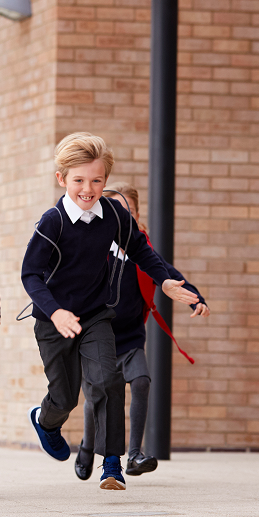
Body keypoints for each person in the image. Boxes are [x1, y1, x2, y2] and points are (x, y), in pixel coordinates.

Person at [21, 132, 200, 491]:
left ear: (105, 179)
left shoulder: (114, 215)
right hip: (54, 321)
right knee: (66, 396)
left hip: (96, 315)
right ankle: (46, 419)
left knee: (107, 381)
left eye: (97, 180)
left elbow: (141, 250)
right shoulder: (52, 222)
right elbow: (30, 274)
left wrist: (164, 281)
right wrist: (56, 313)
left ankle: (112, 465)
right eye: (79, 181)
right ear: (62, 179)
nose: (88, 189)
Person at [75, 183, 209, 481]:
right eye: (116, 212)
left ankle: (134, 454)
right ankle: (86, 446)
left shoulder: (142, 251)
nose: (124, 217)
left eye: (130, 212)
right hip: (98, 337)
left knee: (142, 381)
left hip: (131, 336)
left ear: (136, 216)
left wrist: (196, 298)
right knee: (97, 398)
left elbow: (170, 275)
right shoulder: (95, 248)